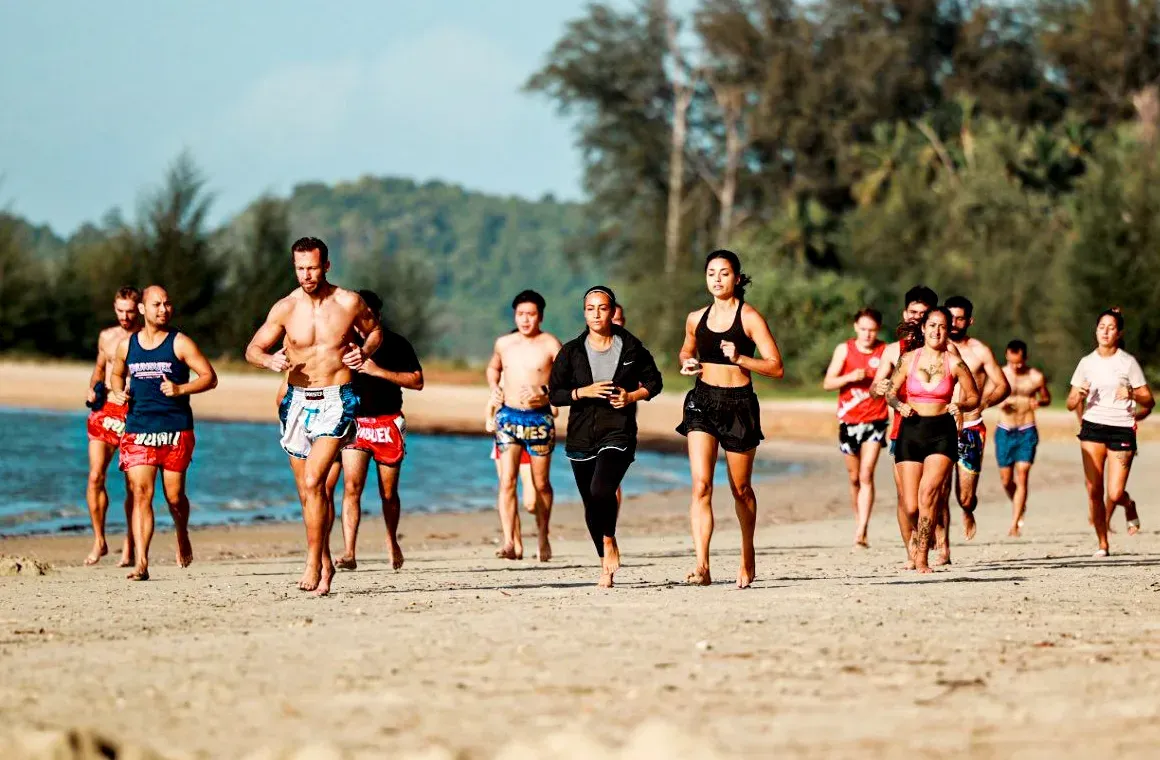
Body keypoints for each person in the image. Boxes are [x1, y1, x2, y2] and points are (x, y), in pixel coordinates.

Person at [245, 237, 382, 595]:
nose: (307, 274)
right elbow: (252, 349)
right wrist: (269, 360)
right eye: (300, 268)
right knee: (308, 494)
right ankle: (324, 564)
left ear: (327, 266)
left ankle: (310, 561)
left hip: (338, 399)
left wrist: (364, 351)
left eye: (313, 267)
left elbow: (375, 331)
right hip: (297, 401)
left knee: (313, 482)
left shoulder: (349, 302)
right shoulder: (286, 308)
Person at [677, 250, 784, 588]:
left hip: (739, 405)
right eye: (711, 273)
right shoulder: (695, 317)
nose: (717, 279)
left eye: (724, 273)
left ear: (737, 278)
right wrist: (687, 362)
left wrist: (740, 359)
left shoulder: (750, 317)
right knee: (701, 485)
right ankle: (702, 565)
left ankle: (747, 553)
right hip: (701, 402)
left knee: (741, 489)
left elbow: (776, 367)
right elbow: (686, 350)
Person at [548, 286, 662, 587]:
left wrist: (631, 396)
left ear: (613, 312)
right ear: (584, 313)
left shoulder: (631, 347)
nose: (596, 313)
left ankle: (609, 538)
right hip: (580, 435)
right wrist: (581, 392)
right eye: (590, 308)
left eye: (602, 308)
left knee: (601, 490)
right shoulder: (571, 351)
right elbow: (555, 394)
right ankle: (604, 563)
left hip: (618, 430)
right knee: (590, 502)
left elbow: (655, 381)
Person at [108, 285, 218, 581]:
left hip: (176, 430)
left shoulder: (180, 343)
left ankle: (182, 532)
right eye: (156, 304)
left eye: (167, 304)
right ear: (143, 309)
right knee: (141, 493)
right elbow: (116, 373)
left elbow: (210, 377)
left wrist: (181, 388)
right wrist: (117, 392)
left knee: (174, 497)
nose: (163, 309)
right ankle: (141, 563)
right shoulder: (127, 345)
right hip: (139, 428)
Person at [324, 290, 424, 572]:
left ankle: (391, 540)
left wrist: (376, 370)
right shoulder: (342, 342)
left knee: (388, 493)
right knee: (352, 488)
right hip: (356, 424)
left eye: (367, 316)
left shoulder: (396, 343)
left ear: (376, 317)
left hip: (388, 422)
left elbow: (417, 381)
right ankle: (349, 552)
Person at [885, 307, 980, 572]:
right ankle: (915, 543)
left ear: (948, 330)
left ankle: (923, 557)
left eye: (942, 326)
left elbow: (974, 396)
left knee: (929, 494)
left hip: (941, 432)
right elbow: (890, 392)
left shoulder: (955, 363)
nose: (937, 331)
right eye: (932, 326)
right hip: (911, 429)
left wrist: (959, 405)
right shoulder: (908, 360)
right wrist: (897, 404)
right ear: (924, 328)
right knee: (910, 504)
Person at [1066, 308, 1154, 556]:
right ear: (1096, 330)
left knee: (1114, 492)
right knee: (1094, 490)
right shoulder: (1086, 363)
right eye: (1101, 326)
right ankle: (1103, 543)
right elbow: (1070, 403)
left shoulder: (1128, 362)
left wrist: (1132, 393)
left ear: (1119, 333)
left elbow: (1149, 401)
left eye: (1111, 327)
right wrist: (1078, 396)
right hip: (1092, 427)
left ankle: (1129, 504)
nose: (1105, 332)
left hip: (1121, 429)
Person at [869, 285, 948, 562]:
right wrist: (878, 388)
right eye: (912, 312)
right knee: (907, 499)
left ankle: (936, 541)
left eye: (923, 314)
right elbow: (874, 387)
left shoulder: (946, 351)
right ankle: (911, 548)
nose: (916, 318)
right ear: (904, 313)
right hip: (901, 430)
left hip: (938, 429)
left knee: (934, 493)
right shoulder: (893, 351)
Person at [486, 291, 562, 561]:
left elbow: (568, 376)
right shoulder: (504, 343)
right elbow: (493, 368)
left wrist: (545, 390)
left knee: (541, 484)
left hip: (539, 419)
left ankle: (543, 536)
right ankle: (509, 541)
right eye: (520, 314)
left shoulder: (550, 343)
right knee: (507, 481)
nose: (525, 319)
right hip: (508, 417)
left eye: (531, 314)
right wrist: (495, 388)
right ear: (514, 315)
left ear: (540, 315)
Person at [944, 296, 1011, 541]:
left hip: (970, 426)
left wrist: (983, 403)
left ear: (969, 321)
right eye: (949, 317)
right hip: (940, 425)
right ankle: (943, 546)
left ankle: (968, 509)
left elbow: (1003, 386)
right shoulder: (934, 349)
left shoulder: (979, 351)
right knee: (939, 490)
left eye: (960, 318)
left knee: (965, 496)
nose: (953, 323)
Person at [83, 286, 141, 566]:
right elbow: (98, 369)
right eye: (120, 311)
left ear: (140, 309)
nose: (125, 317)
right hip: (105, 409)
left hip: (133, 411)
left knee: (133, 485)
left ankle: (130, 545)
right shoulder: (107, 337)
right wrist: (91, 390)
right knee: (95, 477)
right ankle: (99, 540)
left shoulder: (147, 339)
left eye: (130, 311)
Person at [822, 307, 889, 548]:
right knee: (853, 478)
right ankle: (858, 518)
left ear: (878, 330)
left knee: (866, 474)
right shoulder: (844, 349)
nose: (867, 335)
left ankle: (862, 529)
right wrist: (850, 377)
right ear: (855, 327)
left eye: (872, 330)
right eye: (863, 329)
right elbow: (828, 383)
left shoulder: (885, 351)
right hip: (849, 420)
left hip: (875, 419)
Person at [996, 340, 1051, 537]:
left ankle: (1015, 523)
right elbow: (989, 395)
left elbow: (1047, 398)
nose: (1016, 366)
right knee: (1005, 480)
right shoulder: (1000, 373)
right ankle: (1020, 504)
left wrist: (1039, 402)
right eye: (1012, 362)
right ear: (1007, 357)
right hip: (1005, 429)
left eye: (1019, 362)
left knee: (1023, 474)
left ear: (1025, 358)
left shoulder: (1035, 377)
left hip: (1027, 428)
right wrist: (1000, 402)